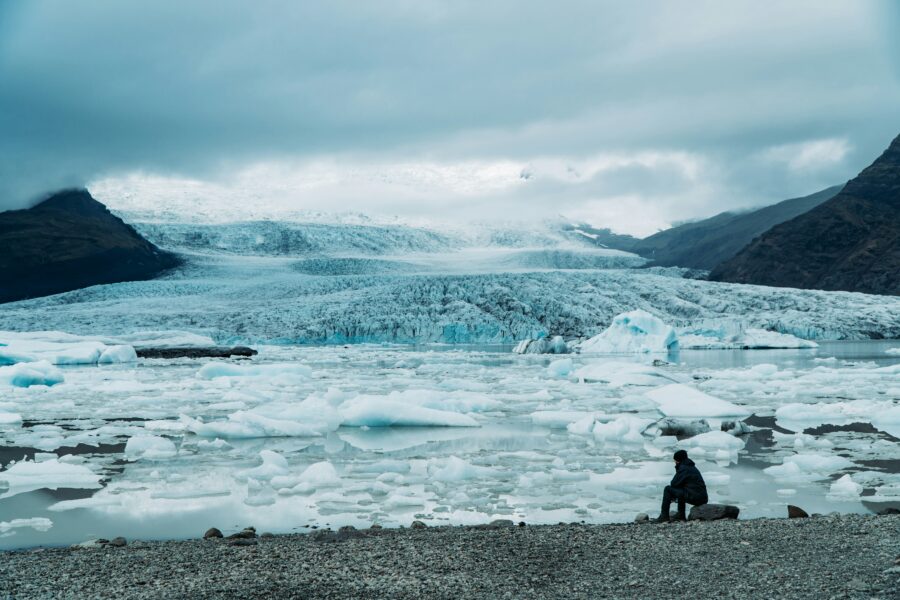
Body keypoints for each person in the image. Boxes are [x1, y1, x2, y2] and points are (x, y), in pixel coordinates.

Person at [655, 449, 708, 522]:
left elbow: (674, 483)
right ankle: (681, 516)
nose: (675, 462)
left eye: (675, 460)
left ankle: (664, 516)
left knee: (667, 489)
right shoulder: (690, 466)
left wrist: (677, 468)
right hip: (701, 497)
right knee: (681, 489)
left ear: (678, 460)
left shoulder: (684, 468)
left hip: (696, 497)